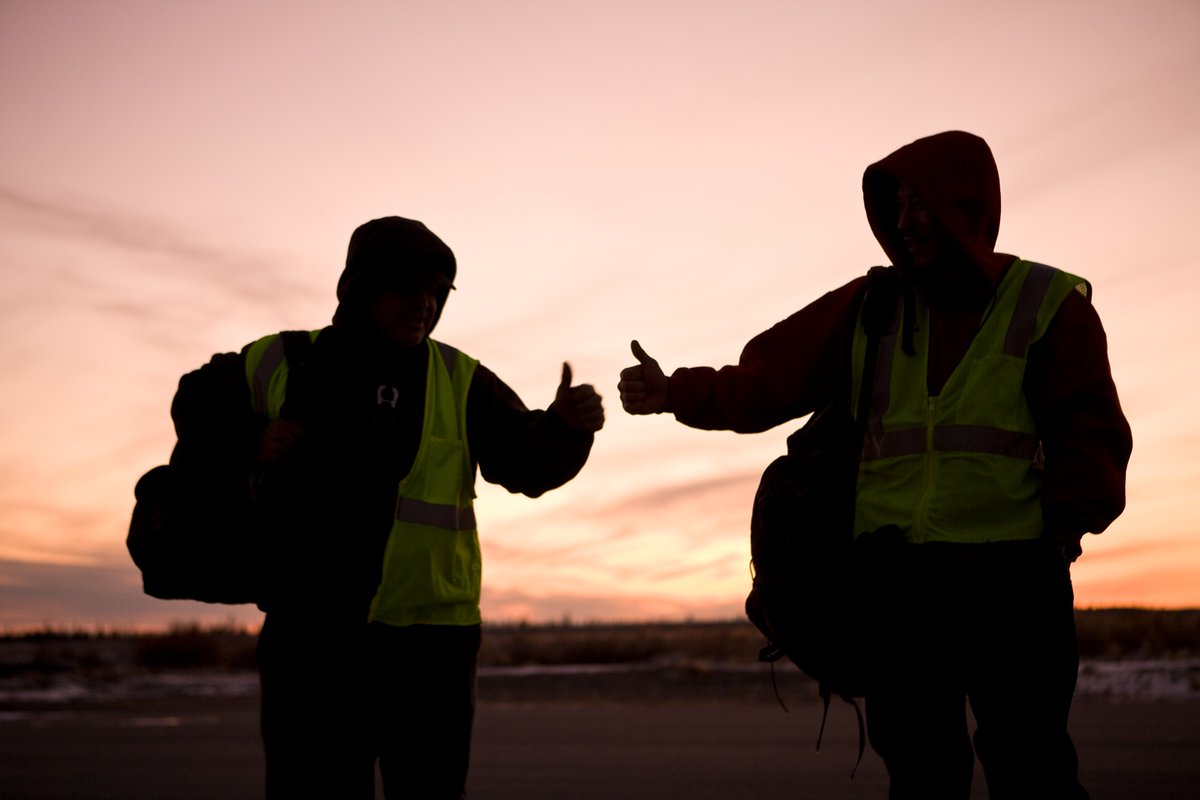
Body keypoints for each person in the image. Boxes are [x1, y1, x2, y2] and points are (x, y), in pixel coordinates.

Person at [618, 131, 1131, 799]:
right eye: (899, 204)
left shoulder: (1047, 303)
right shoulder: (873, 306)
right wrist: (675, 392)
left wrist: (1063, 533)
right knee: (920, 775)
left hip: (1014, 578)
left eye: (923, 203)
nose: (905, 220)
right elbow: (767, 381)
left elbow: (1090, 431)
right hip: (899, 582)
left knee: (1032, 770)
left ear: (966, 208)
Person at [173, 216, 604, 798]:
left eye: (435, 293)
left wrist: (565, 429)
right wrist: (250, 442)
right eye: (408, 290)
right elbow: (194, 401)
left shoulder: (460, 378)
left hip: (432, 647)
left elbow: (525, 465)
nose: (423, 304)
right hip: (313, 641)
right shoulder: (287, 361)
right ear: (360, 290)